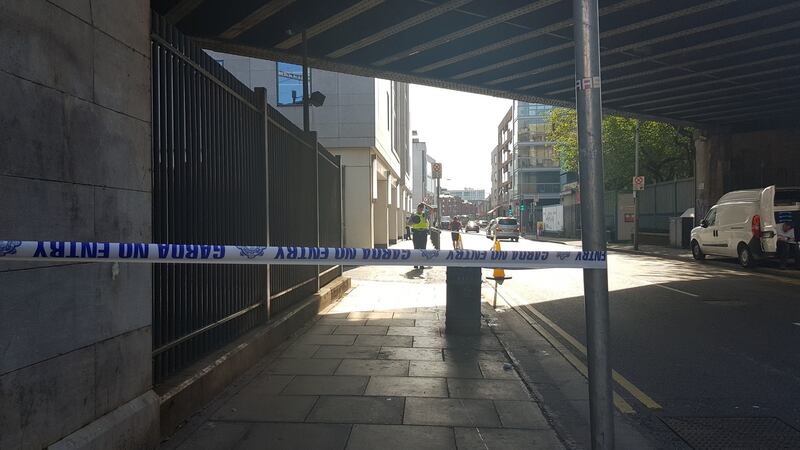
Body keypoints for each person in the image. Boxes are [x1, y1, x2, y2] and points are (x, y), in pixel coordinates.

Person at [408, 203, 430, 269]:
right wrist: (414, 222)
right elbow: (408, 223)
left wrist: (425, 204)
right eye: (419, 208)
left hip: (424, 233)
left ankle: (422, 264)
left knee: (423, 249)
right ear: (417, 208)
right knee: (416, 248)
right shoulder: (414, 215)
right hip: (416, 233)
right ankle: (416, 264)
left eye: (422, 208)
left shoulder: (424, 214)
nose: (420, 209)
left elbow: (432, 210)